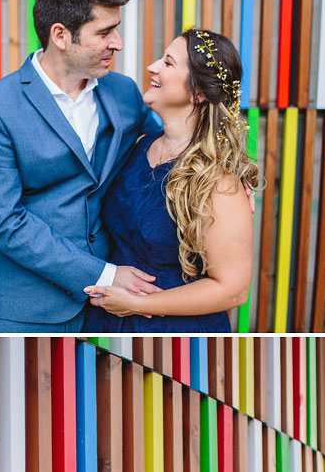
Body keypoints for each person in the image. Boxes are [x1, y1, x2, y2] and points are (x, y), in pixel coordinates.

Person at [0, 0, 164, 332]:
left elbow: (169, 151)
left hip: (114, 311)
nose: (117, 43)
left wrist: (227, 174)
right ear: (60, 35)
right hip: (26, 310)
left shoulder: (123, 92)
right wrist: (103, 274)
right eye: (105, 32)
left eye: (116, 30)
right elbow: (7, 223)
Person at [82, 28, 260, 330]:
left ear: (198, 93)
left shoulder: (219, 181)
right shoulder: (138, 145)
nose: (152, 67)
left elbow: (233, 289)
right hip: (108, 322)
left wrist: (137, 304)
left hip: (175, 332)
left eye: (168, 62)